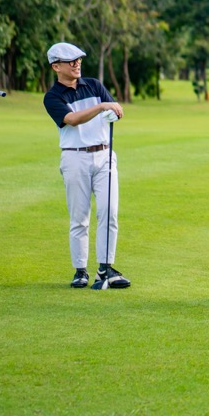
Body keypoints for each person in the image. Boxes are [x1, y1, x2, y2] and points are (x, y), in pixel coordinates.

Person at [42, 42, 130, 290]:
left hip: (104, 155)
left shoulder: (93, 85)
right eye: (71, 61)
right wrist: (102, 106)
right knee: (79, 217)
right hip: (75, 157)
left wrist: (114, 111)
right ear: (56, 66)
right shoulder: (53, 97)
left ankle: (106, 267)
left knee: (109, 213)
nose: (77, 64)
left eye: (79, 59)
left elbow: (115, 110)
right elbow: (71, 119)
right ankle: (80, 270)